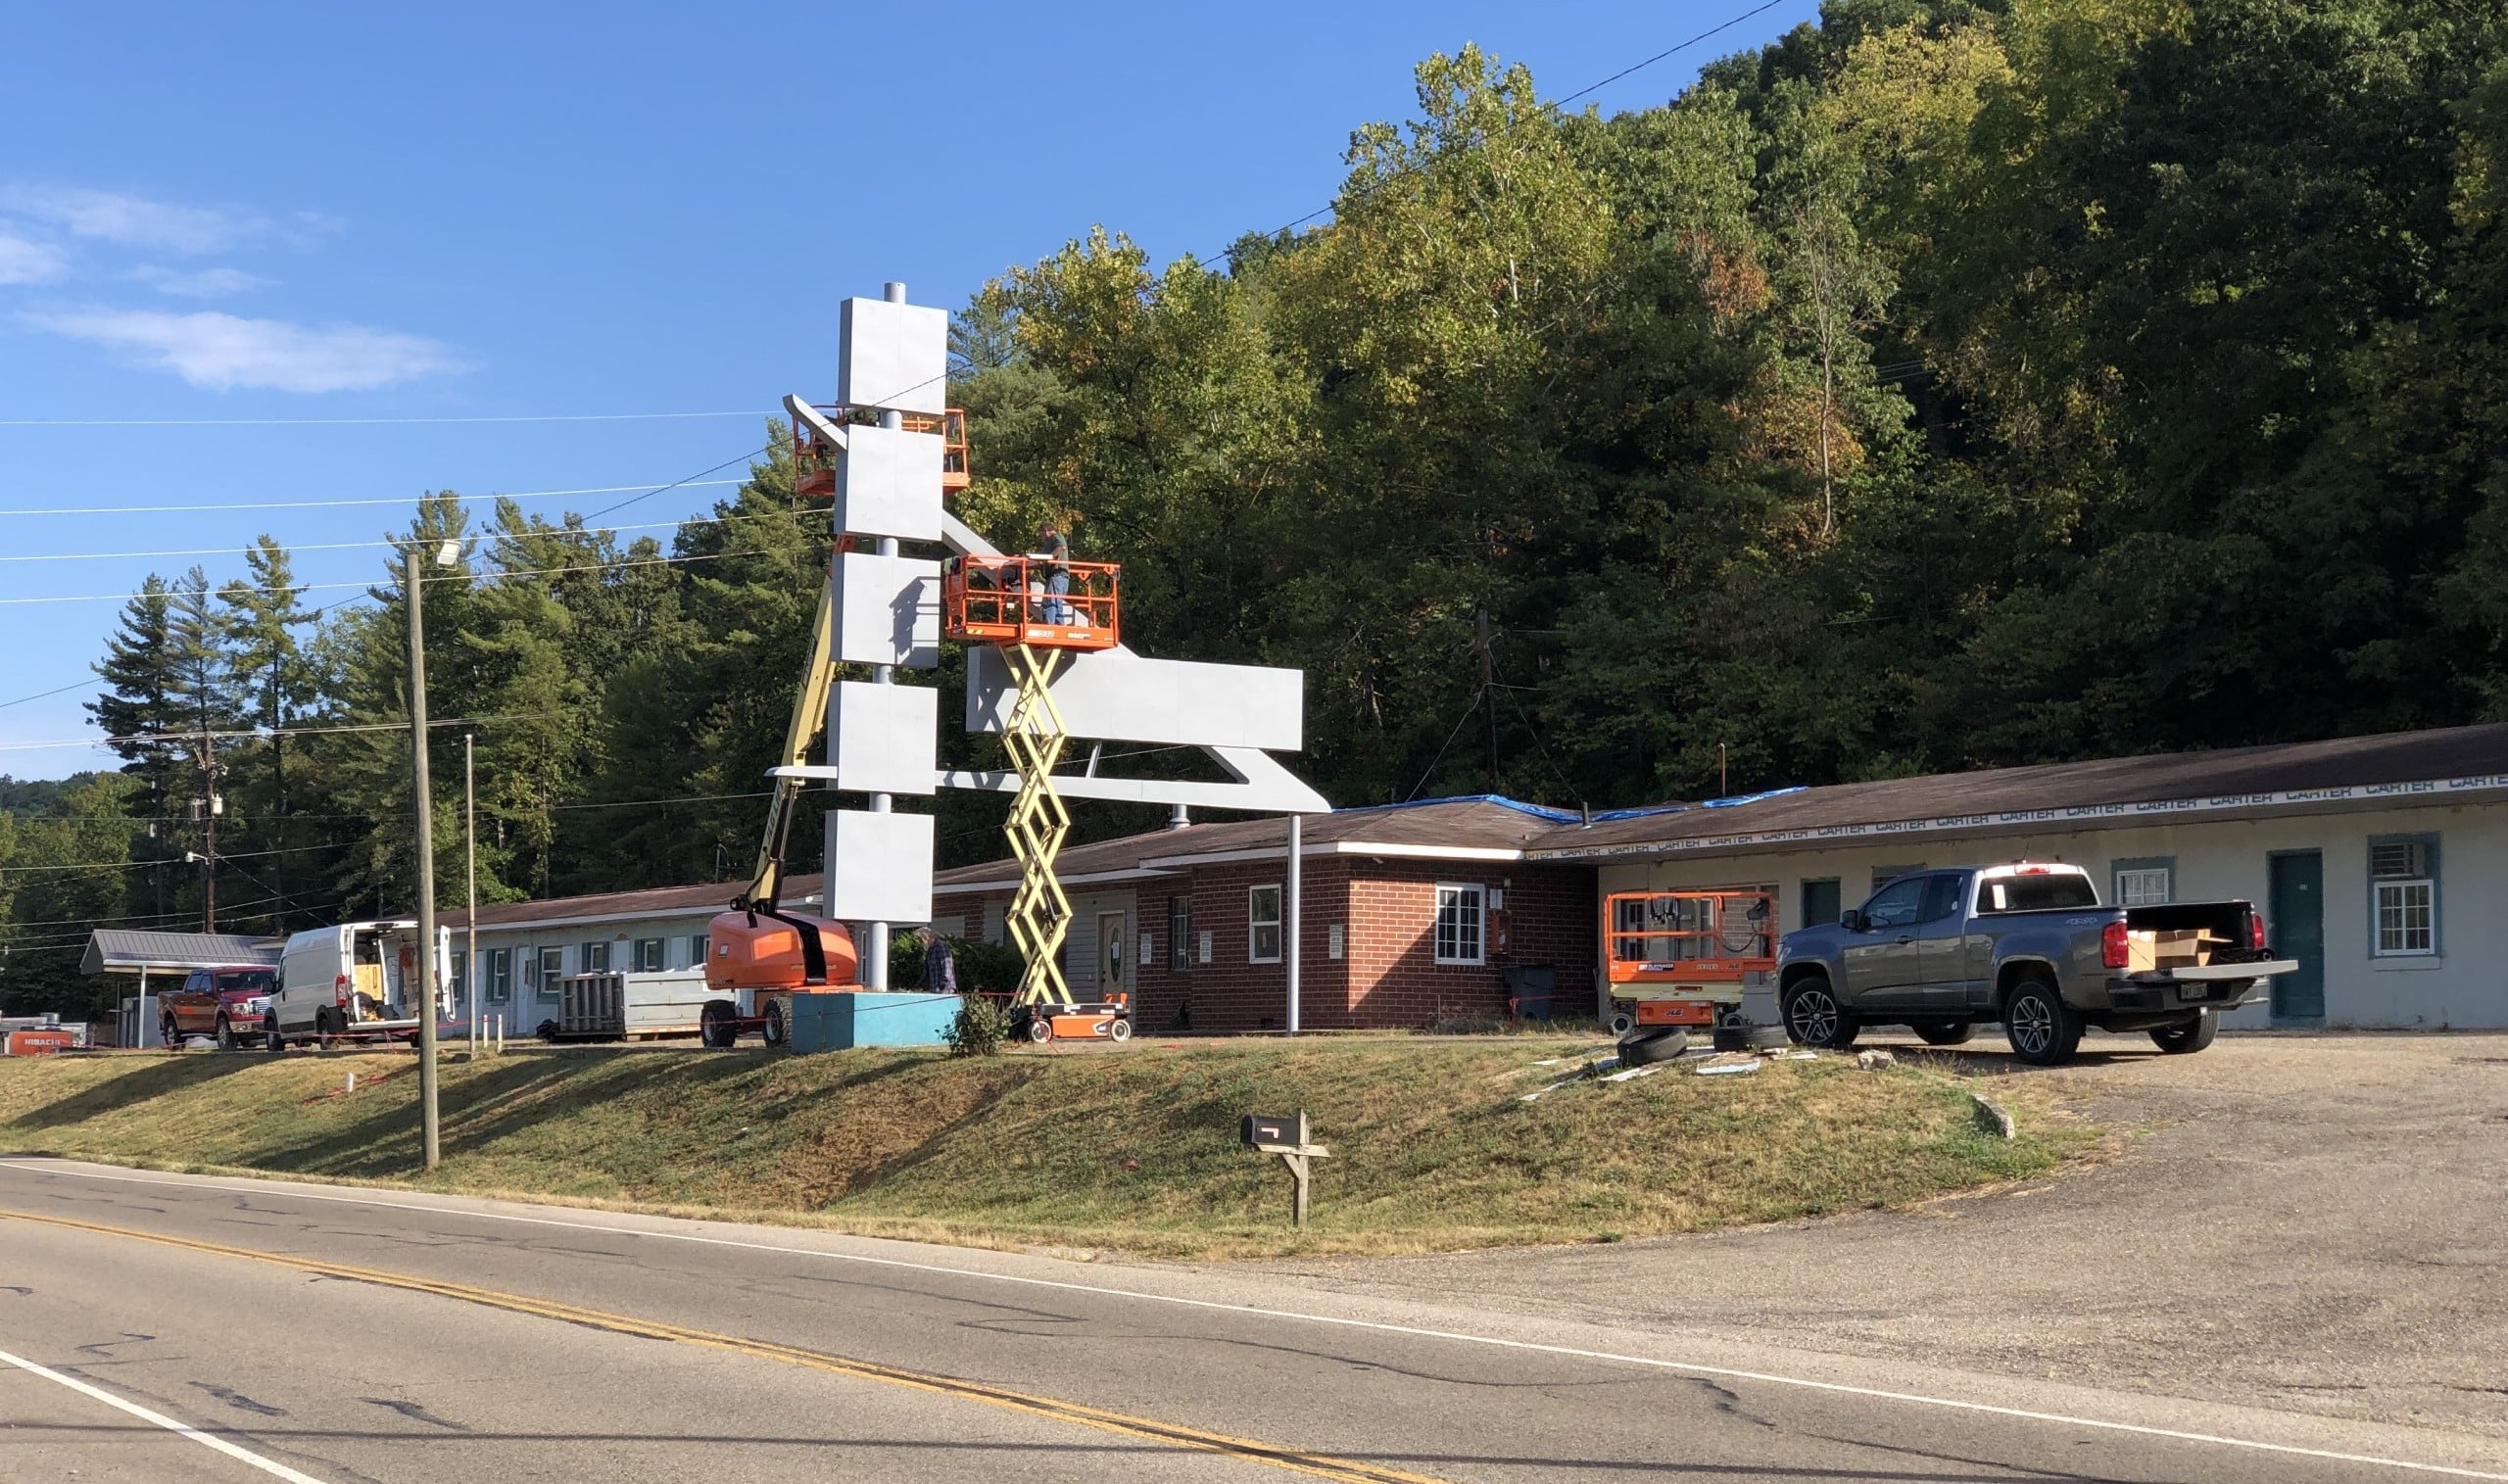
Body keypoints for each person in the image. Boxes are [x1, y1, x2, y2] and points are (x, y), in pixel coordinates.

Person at [1037, 518, 1071, 624]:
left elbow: (1062, 547)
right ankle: (1058, 625)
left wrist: (1049, 557)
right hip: (1058, 578)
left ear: (1046, 530)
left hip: (1057, 576)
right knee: (1056, 602)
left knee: (1051, 602)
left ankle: (1050, 625)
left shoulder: (1056, 537)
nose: (1041, 537)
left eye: (1041, 534)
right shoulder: (1050, 542)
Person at [920, 928, 957, 994]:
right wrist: (919, 984)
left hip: (945, 989)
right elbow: (926, 970)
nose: (921, 942)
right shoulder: (930, 950)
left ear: (925, 937)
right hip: (934, 988)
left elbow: (947, 965)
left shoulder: (941, 946)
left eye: (921, 939)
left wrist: (943, 983)